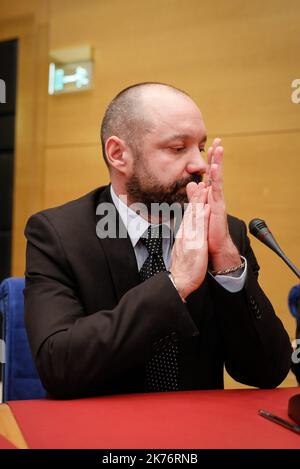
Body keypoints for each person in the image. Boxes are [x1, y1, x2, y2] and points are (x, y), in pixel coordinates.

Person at [24, 82, 292, 398]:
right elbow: (60, 367)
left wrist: (227, 263)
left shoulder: (225, 234)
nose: (199, 165)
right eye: (178, 148)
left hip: (198, 432)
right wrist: (174, 285)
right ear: (118, 154)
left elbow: (268, 371)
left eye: (201, 148)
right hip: (101, 431)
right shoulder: (58, 235)